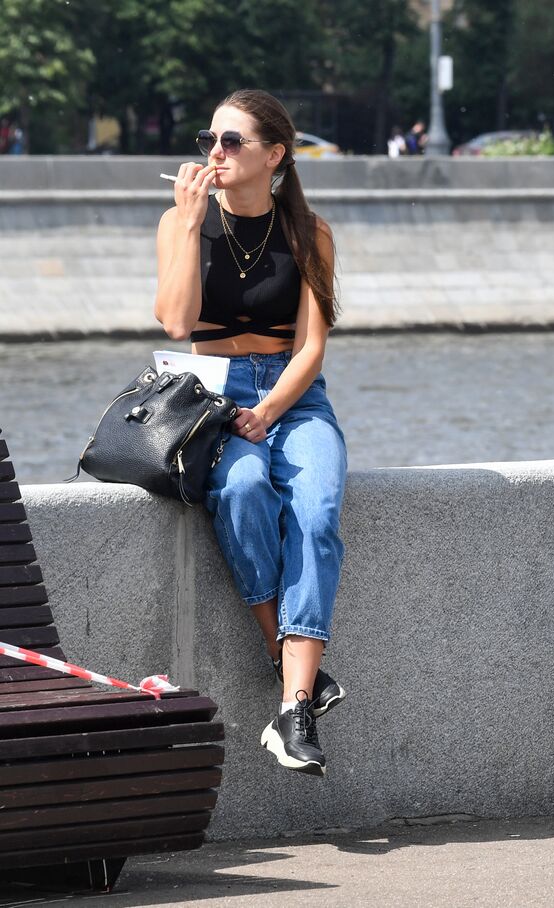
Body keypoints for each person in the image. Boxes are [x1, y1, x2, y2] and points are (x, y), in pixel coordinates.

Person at [154, 88, 347, 777]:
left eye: (233, 142)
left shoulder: (309, 233)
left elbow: (311, 347)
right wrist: (185, 224)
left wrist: (270, 410)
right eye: (211, 139)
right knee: (238, 490)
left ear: (276, 156)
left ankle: (292, 708)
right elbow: (176, 324)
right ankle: (291, 665)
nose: (216, 153)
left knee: (318, 512)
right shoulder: (184, 223)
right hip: (212, 393)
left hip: (294, 397)